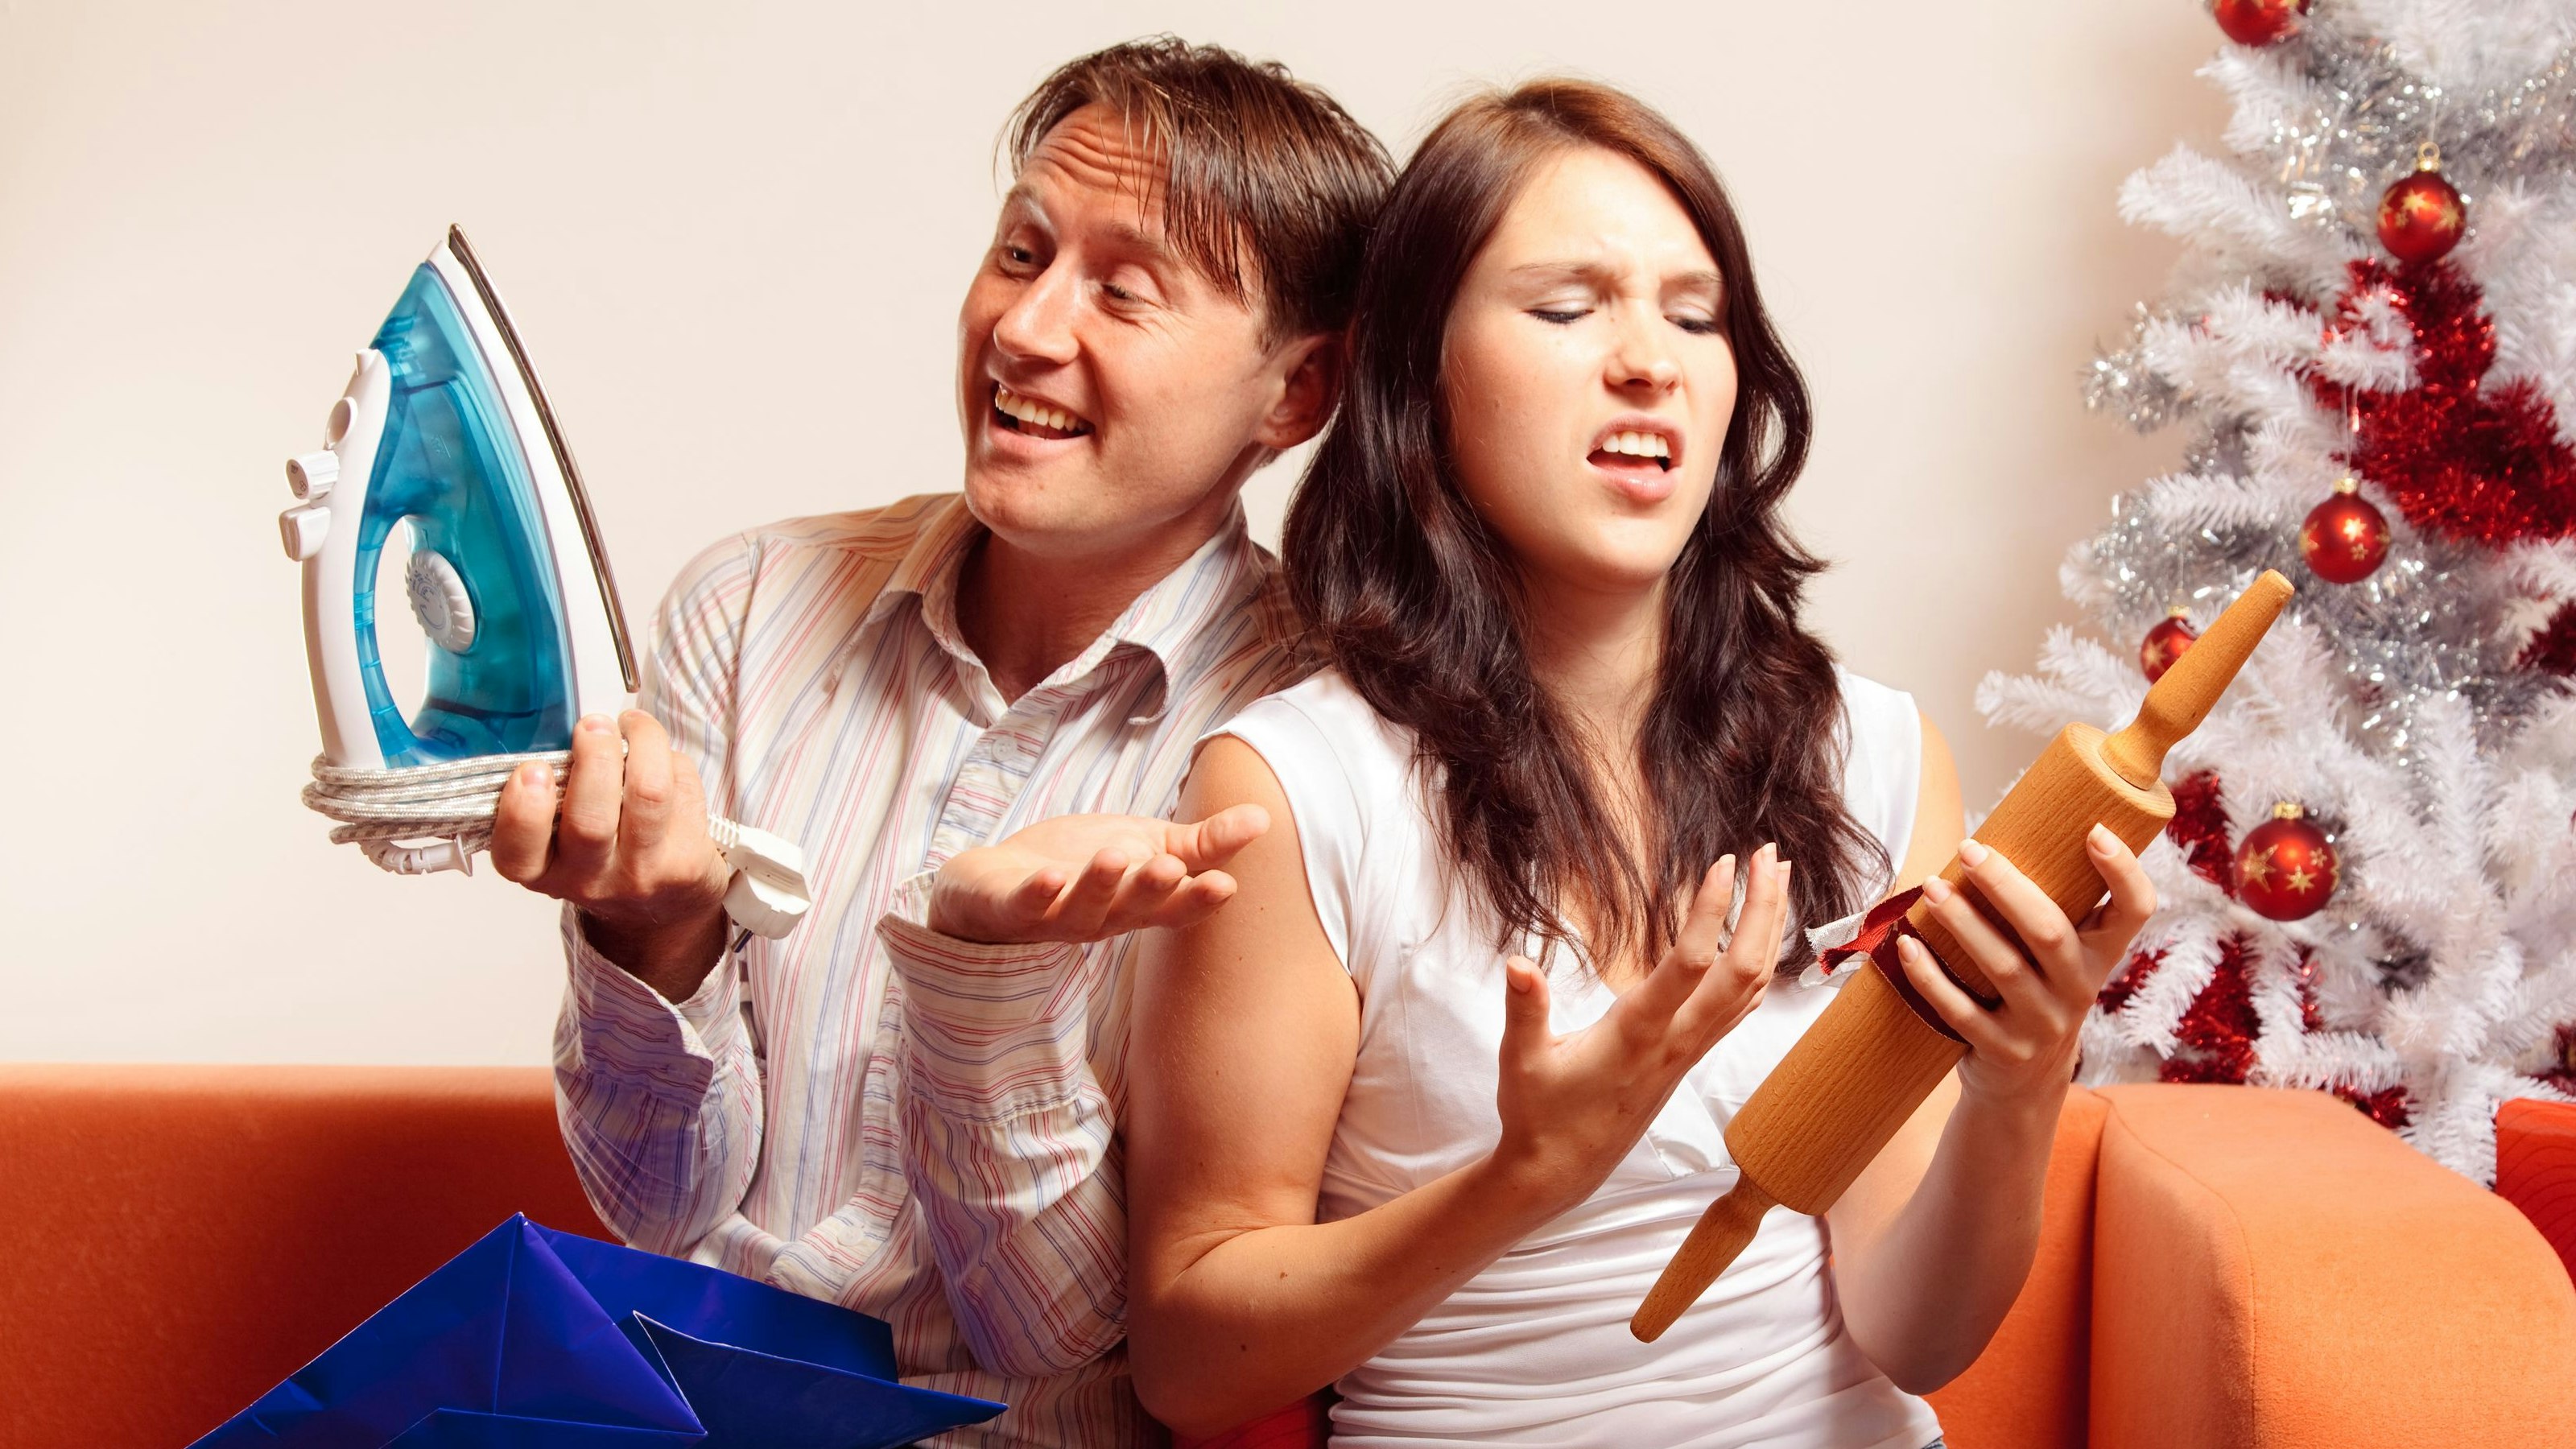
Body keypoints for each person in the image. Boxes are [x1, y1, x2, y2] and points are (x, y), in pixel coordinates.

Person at [1125, 80, 2158, 1447]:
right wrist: (1526, 1178)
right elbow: (1190, 1364)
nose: (1649, 361)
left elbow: (1919, 1333)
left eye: (1695, 313)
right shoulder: (1292, 788)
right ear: (1419, 377)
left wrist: (2018, 1084)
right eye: (1568, 309)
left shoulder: (1875, 755)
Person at [483, 39, 1391, 1447]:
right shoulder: (749, 610)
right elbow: (655, 1206)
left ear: (1295, 394)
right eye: (1021, 252)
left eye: (1123, 291)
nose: (1026, 330)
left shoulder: (1308, 750)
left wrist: (986, 997)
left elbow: (1068, 1335)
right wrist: (652, 937)